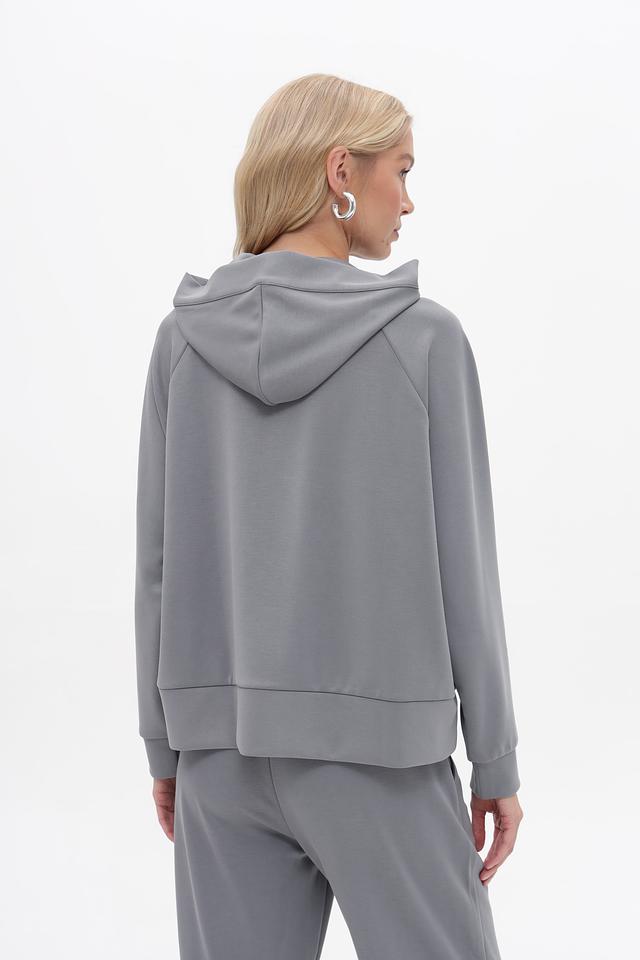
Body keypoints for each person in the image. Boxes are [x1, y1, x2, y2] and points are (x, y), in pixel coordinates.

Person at [134, 72, 524, 960]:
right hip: (383, 760)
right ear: (341, 171)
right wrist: (495, 759)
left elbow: (156, 566)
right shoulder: (423, 339)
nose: (409, 201)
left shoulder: (180, 341)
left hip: (219, 760)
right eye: (401, 170)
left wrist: (165, 746)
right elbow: (466, 569)